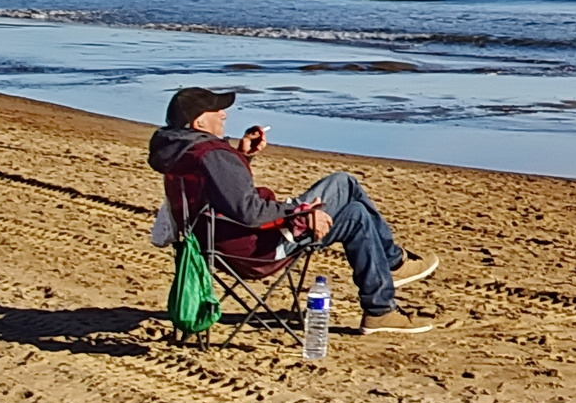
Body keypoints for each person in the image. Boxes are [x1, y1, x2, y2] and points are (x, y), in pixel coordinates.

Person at [148, 86, 439, 335]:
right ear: (199, 123)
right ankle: (394, 264)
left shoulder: (179, 153)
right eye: (217, 112)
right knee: (344, 183)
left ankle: (380, 309)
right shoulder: (212, 155)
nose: (224, 115)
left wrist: (242, 155)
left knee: (356, 216)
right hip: (254, 251)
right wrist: (297, 212)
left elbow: (222, 198)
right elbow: (248, 211)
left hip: (216, 247)